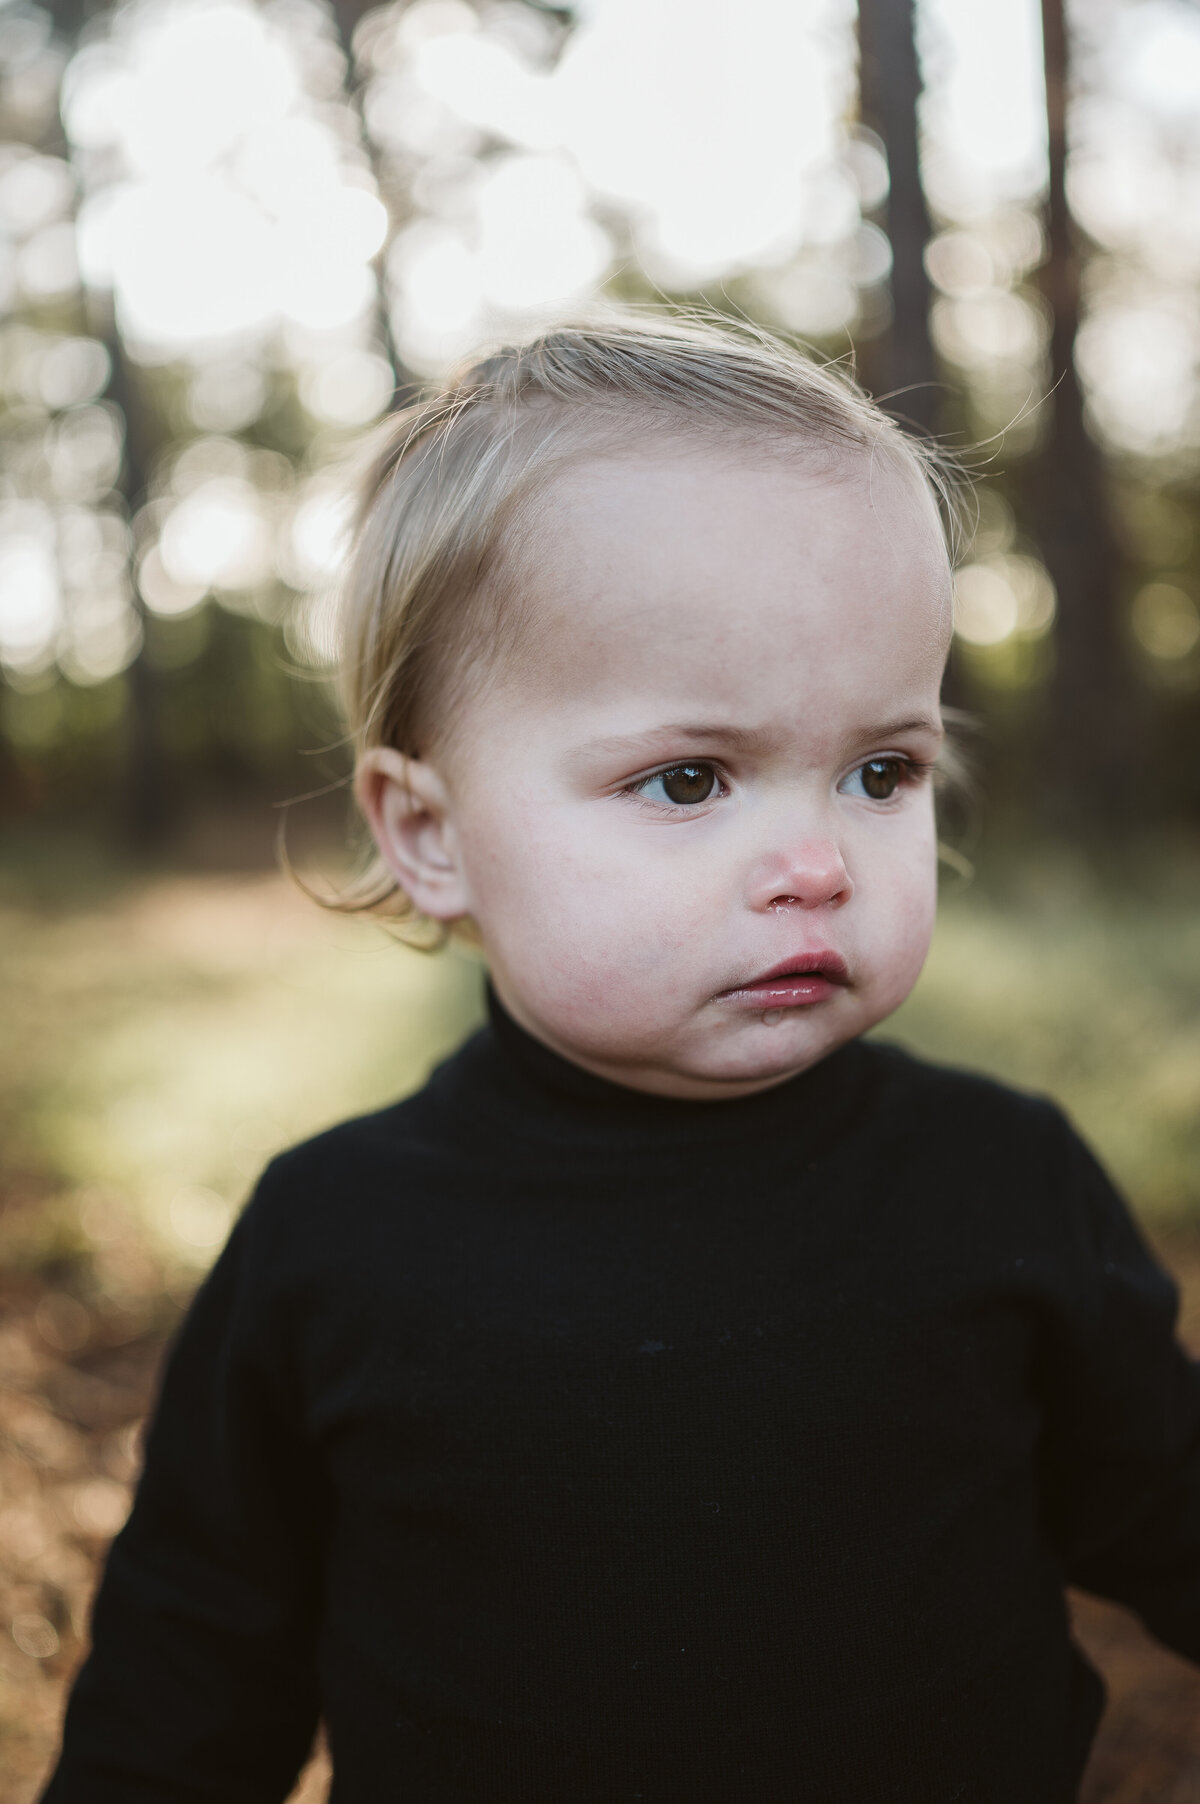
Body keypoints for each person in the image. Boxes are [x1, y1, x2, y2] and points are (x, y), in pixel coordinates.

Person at [40, 314, 1200, 1804]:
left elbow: (1173, 1516)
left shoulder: (1002, 1181)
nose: (816, 861)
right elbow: (188, 1688)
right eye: (688, 778)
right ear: (432, 833)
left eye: (878, 771)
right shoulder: (337, 1245)